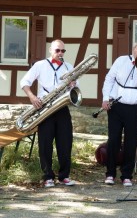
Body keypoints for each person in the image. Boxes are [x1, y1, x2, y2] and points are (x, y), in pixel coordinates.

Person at [20, 39, 76, 188]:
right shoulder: (40, 65)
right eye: (57, 50)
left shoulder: (68, 67)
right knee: (45, 143)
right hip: (44, 106)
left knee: (65, 142)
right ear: (50, 50)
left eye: (63, 51)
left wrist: (72, 85)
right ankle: (48, 176)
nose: (60, 53)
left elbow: (74, 90)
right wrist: (32, 97)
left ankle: (64, 176)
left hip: (61, 106)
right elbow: (24, 82)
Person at [101, 40, 137, 186]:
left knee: (131, 142)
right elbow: (109, 79)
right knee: (113, 140)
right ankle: (110, 173)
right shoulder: (121, 61)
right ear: (133, 50)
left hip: (135, 108)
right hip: (117, 106)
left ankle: (126, 176)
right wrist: (105, 98)